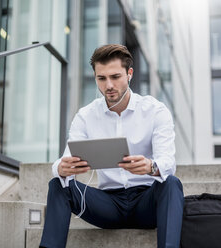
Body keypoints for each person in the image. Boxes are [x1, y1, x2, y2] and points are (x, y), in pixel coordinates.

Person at [39, 44, 184, 248]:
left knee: (171, 183)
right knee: (58, 184)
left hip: (147, 203)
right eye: (102, 78)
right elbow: (65, 159)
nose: (108, 85)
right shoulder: (85, 116)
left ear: (129, 74)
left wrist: (151, 167)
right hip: (108, 205)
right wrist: (62, 168)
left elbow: (168, 162)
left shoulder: (155, 111)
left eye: (115, 77)